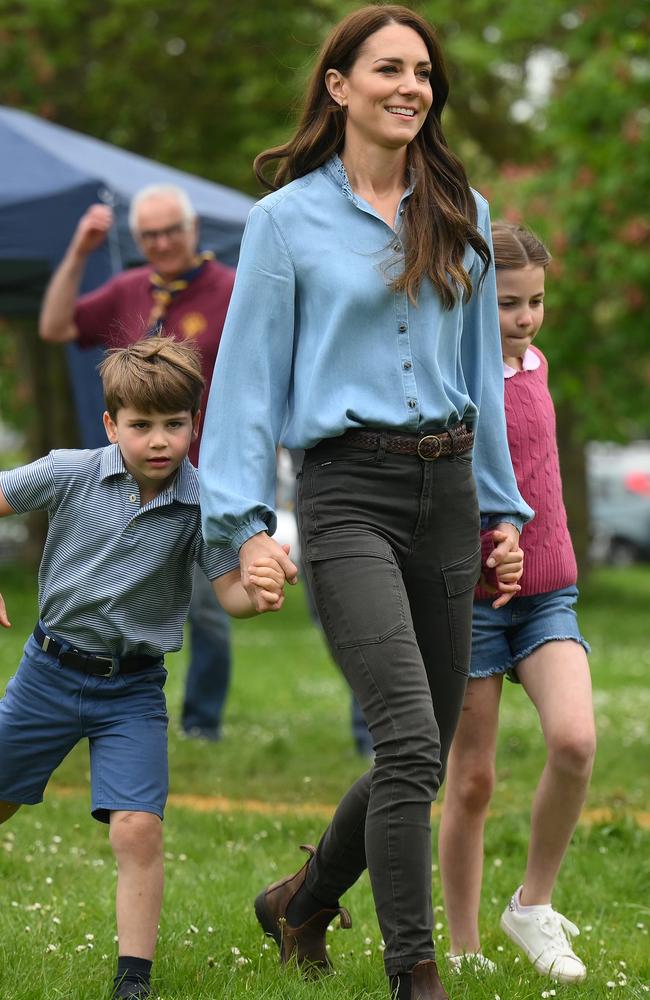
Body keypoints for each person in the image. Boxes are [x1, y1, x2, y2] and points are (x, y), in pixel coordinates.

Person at [198, 7, 532, 999]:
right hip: (346, 495)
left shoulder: (458, 208)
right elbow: (247, 387)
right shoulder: (281, 223)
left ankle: (297, 900)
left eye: (422, 72)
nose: (409, 86)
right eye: (386, 68)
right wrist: (243, 527)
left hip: (447, 492)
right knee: (408, 738)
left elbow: (483, 373)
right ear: (337, 85)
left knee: (414, 754)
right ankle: (410, 975)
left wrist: (500, 512)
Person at [0, 337, 286, 1000]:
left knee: (138, 827)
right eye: (141, 426)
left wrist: (261, 591)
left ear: (194, 422)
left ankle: (134, 981)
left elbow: (231, 597)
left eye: (175, 425)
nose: (159, 441)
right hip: (49, 672)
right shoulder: (69, 472)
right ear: (111, 425)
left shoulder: (202, 504)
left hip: (131, 690)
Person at [438, 222, 595, 983]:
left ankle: (532, 906)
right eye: (507, 304)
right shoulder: (452, 384)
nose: (525, 317)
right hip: (471, 601)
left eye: (535, 301)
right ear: (472, 300)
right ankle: (464, 949)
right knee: (472, 779)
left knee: (575, 741)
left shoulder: (534, 364)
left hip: (547, 595)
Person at [39, 184, 235, 741]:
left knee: (209, 608)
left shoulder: (231, 289)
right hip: (128, 484)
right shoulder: (130, 289)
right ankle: (98, 708)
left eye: (171, 230)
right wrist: (80, 250)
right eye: (149, 235)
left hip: (207, 479)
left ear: (193, 229)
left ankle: (201, 724)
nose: (162, 243)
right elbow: (55, 327)